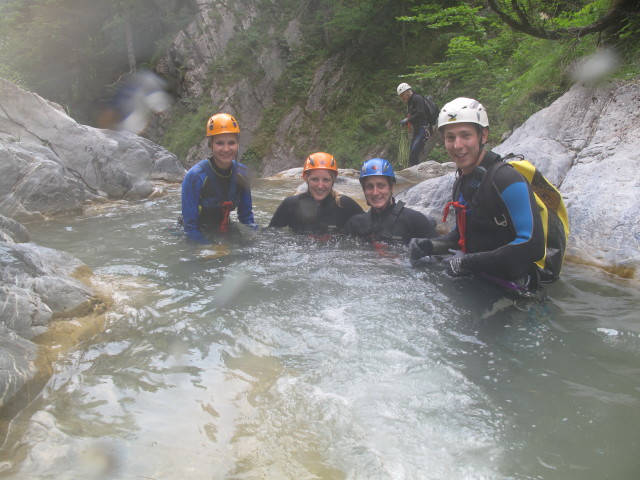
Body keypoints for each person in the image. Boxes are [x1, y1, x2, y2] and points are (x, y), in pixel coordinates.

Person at [408, 97, 545, 292]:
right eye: (450, 137)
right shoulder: (463, 182)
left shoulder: (506, 179)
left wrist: (467, 263)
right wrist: (431, 245)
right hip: (480, 281)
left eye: (466, 135)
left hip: (516, 289)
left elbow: (533, 245)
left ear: (483, 135)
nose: (457, 145)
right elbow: (466, 236)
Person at [181, 113, 258, 243]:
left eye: (231, 143)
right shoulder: (195, 176)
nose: (226, 149)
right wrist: (209, 248)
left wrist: (256, 239)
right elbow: (190, 228)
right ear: (210, 145)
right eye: (220, 143)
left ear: (238, 144)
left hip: (225, 229)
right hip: (197, 231)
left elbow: (247, 219)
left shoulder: (243, 173)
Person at [344, 158, 438, 244]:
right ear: (364, 190)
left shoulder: (414, 220)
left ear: (392, 188)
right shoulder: (355, 224)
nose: (375, 192)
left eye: (381, 185)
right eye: (370, 187)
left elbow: (441, 253)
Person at [268, 152, 364, 234]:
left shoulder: (345, 205)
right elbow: (269, 235)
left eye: (326, 180)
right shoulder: (290, 205)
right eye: (315, 179)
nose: (320, 186)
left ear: (334, 179)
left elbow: (369, 225)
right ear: (305, 177)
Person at [397, 83, 433, 167]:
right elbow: (414, 114)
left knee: (413, 153)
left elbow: (421, 112)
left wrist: (407, 119)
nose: (402, 97)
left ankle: (417, 173)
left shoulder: (417, 98)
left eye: (402, 95)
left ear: (407, 92)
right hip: (418, 130)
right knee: (412, 154)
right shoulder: (410, 102)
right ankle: (416, 170)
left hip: (423, 129)